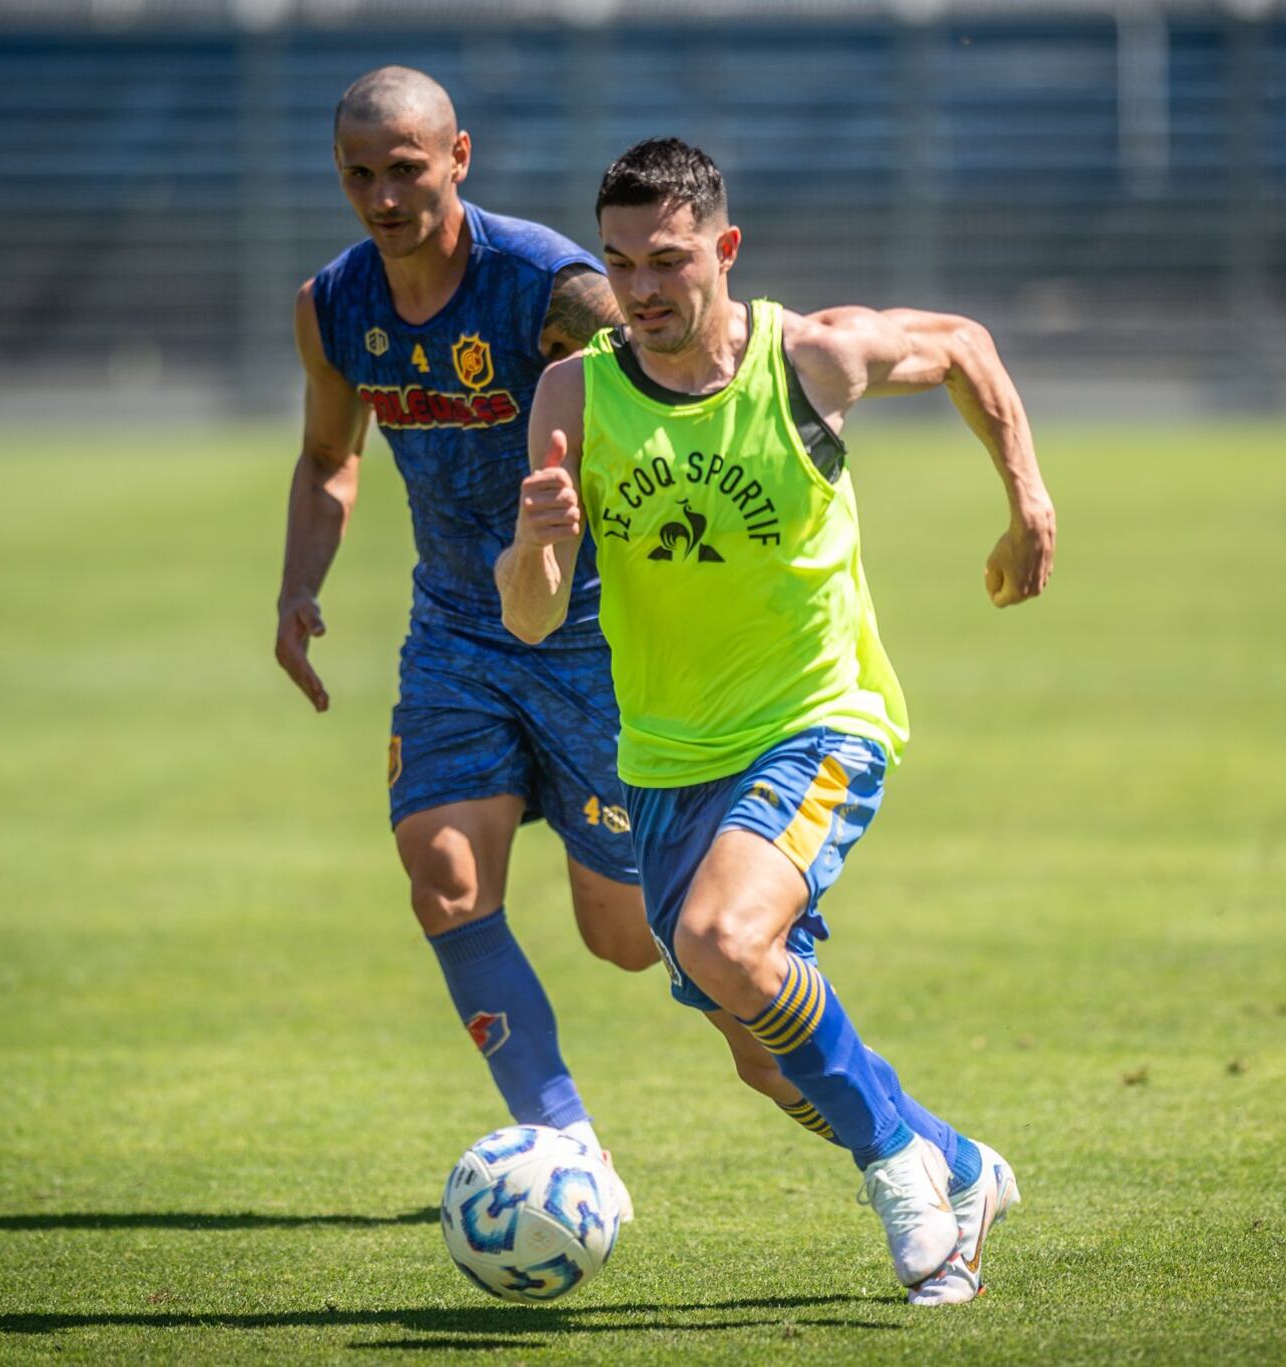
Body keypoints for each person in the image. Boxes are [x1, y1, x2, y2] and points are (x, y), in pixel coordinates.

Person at [498, 138, 1056, 1304]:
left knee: (721, 942)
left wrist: (1026, 501)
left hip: (816, 721)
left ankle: (905, 1181)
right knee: (761, 1048)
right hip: (660, 760)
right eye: (618, 263)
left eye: (666, 259)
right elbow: (535, 616)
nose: (640, 290)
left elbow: (961, 345)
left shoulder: (808, 358)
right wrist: (538, 539)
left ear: (723, 249)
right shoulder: (570, 393)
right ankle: (961, 1163)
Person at [273, 67, 655, 1175]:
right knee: (441, 874)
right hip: (453, 631)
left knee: (625, 939)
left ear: (457, 157)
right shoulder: (334, 304)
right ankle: (561, 1140)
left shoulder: (550, 288)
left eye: (404, 169)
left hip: (591, 636)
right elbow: (326, 457)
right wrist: (299, 587)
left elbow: (673, 410)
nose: (383, 196)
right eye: (358, 174)